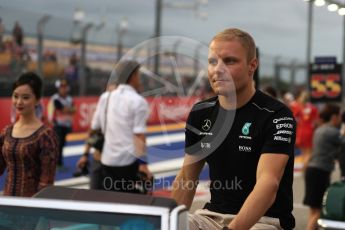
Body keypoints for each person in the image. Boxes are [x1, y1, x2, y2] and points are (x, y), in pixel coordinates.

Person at [171, 28, 296, 230]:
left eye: (229, 61)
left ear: (252, 65)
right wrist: (169, 223)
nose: (218, 69)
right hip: (211, 217)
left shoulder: (277, 115)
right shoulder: (201, 113)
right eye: (213, 61)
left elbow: (268, 183)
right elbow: (187, 177)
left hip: (264, 221)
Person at [96, 60, 152, 193]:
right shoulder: (138, 101)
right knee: (129, 203)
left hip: (107, 160)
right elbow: (138, 136)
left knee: (110, 203)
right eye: (138, 75)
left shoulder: (106, 97)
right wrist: (143, 165)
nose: (139, 79)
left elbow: (98, 127)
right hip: (127, 163)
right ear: (132, 76)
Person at [0, 72, 58, 197]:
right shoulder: (6, 132)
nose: (19, 102)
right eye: (15, 96)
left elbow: (47, 183)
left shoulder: (46, 136)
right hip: (7, 205)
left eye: (25, 97)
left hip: (31, 209)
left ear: (37, 100)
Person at [303, 103, 344, 230]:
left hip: (313, 170)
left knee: (313, 210)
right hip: (320, 172)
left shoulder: (320, 129)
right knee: (319, 210)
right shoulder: (332, 132)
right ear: (333, 117)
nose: (340, 120)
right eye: (339, 117)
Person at [75, 82, 117, 189]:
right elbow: (92, 133)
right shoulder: (100, 113)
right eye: (108, 93)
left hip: (117, 164)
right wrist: (85, 155)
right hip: (99, 161)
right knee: (94, 196)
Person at [48, 78, 76, 169]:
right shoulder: (55, 98)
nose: (63, 88)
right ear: (59, 88)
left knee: (63, 144)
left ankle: (59, 163)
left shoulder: (70, 98)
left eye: (65, 86)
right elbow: (62, 109)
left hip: (66, 125)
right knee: (58, 144)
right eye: (61, 86)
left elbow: (74, 110)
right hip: (57, 125)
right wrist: (69, 109)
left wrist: (67, 109)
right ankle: (56, 163)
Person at [290, 89, 319, 170]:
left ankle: (304, 168)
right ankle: (305, 169)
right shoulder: (313, 108)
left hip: (300, 130)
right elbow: (316, 121)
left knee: (303, 152)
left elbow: (293, 118)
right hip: (309, 130)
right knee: (309, 152)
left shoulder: (297, 107)